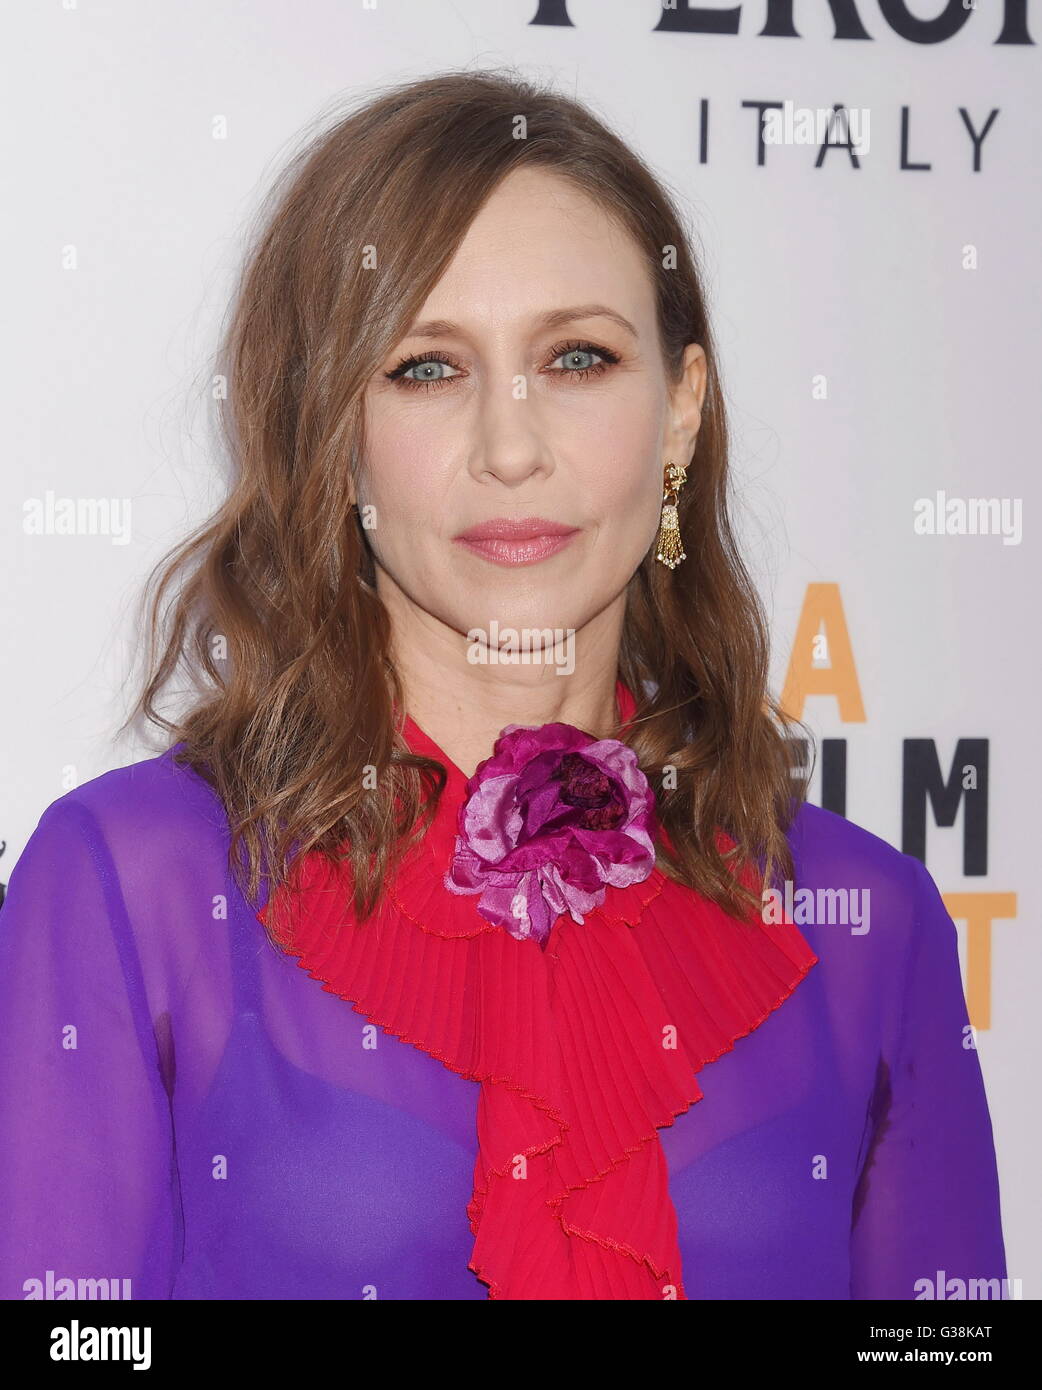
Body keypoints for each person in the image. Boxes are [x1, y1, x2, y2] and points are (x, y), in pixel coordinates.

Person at [0, 69, 1006, 1301]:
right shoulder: (135, 884)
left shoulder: (865, 922)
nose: (512, 447)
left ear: (681, 409)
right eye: (427, 368)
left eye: (578, 358)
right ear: (330, 426)